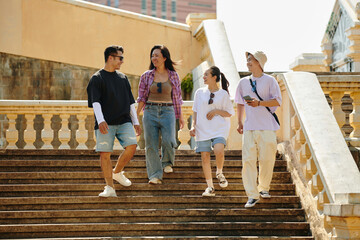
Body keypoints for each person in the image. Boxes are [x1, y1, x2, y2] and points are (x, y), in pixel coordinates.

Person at [87, 45, 141, 197]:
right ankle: (109, 187)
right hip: (106, 123)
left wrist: (135, 121)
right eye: (120, 58)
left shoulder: (123, 78)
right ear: (110, 58)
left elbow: (131, 102)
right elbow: (95, 101)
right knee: (105, 154)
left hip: (124, 121)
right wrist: (101, 120)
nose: (122, 61)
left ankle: (117, 172)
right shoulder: (97, 78)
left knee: (132, 146)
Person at [235, 51, 282, 208]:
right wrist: (239, 122)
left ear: (259, 62)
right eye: (247, 59)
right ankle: (252, 195)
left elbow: (277, 101)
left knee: (267, 159)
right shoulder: (243, 82)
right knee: (248, 161)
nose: (248, 62)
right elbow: (240, 103)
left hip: (267, 127)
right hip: (249, 127)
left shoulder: (270, 81)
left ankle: (264, 188)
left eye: (251, 59)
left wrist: (259, 104)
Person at [137, 45, 184, 184]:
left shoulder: (173, 76)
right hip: (150, 111)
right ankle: (154, 175)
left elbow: (177, 98)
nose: (154, 58)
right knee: (151, 144)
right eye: (152, 55)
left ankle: (167, 162)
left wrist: (180, 116)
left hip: (168, 111)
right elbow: (141, 98)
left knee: (169, 139)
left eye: (157, 55)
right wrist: (135, 116)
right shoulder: (146, 76)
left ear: (164, 57)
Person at [190, 66, 234, 197]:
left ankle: (219, 173)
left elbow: (229, 113)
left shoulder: (223, 94)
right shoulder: (199, 92)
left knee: (219, 151)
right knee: (205, 157)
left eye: (206, 75)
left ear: (214, 77)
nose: (203, 77)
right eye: (203, 75)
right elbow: (195, 111)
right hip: (202, 129)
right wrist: (193, 126)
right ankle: (210, 187)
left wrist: (216, 111)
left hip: (219, 128)